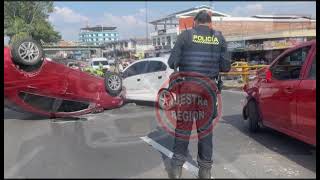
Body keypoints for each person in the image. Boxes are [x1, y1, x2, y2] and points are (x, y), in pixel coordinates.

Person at [167, 10, 231, 178]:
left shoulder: (185, 36)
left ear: (195, 22)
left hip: (188, 88)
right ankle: (205, 171)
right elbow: (226, 67)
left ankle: (176, 169)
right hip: (208, 89)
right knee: (205, 131)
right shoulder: (219, 37)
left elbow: (172, 62)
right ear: (210, 23)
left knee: (183, 128)